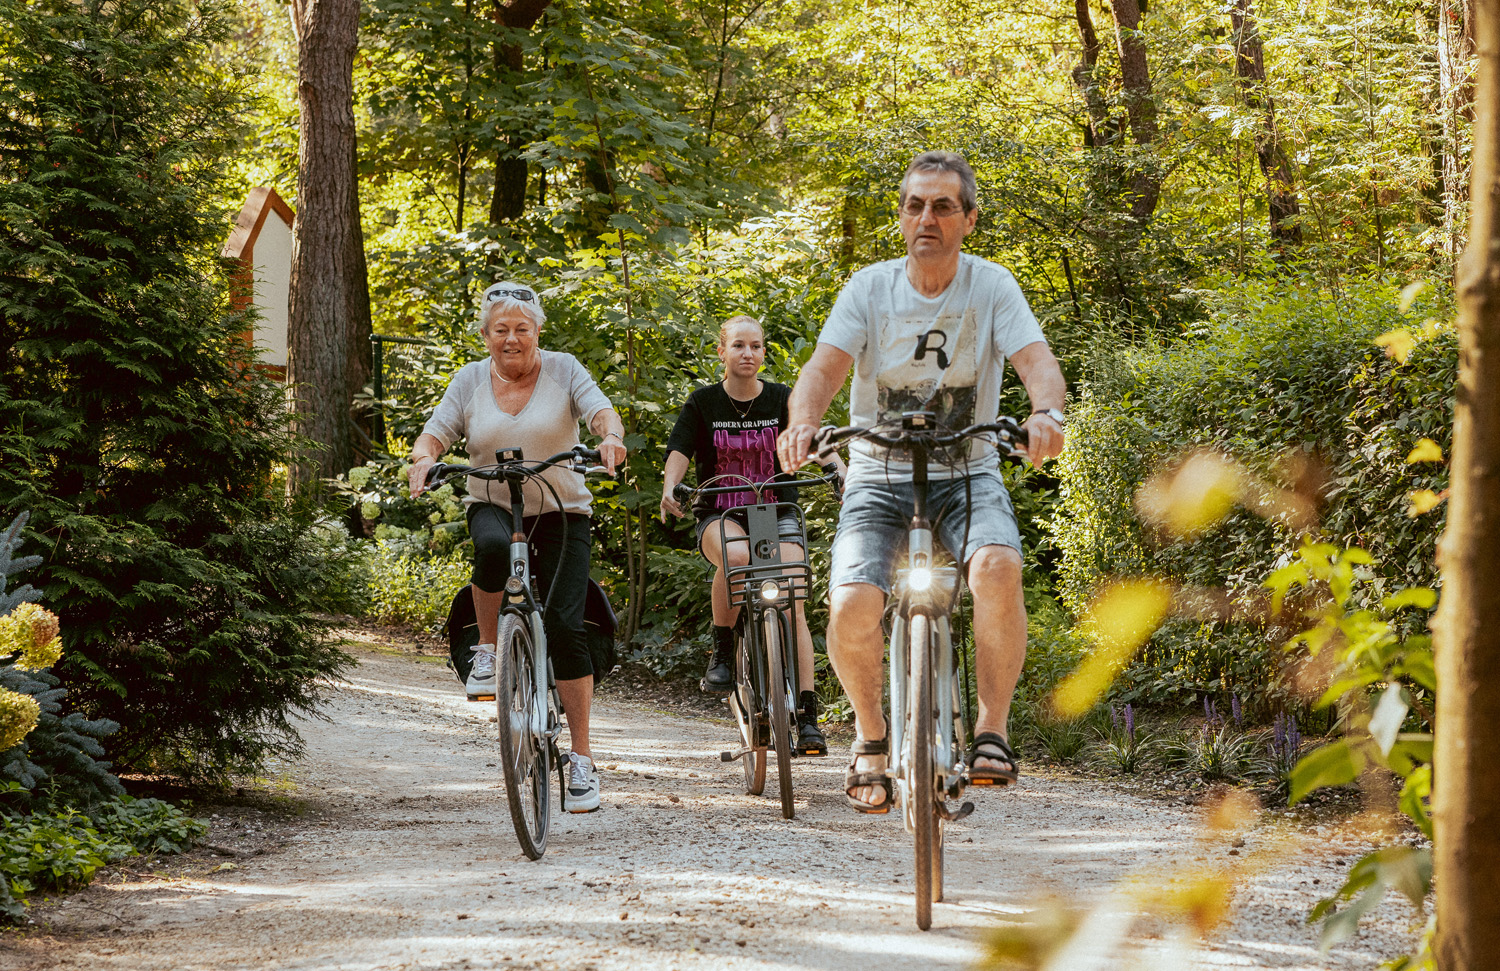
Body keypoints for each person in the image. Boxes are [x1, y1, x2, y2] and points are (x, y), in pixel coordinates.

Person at [776, 151, 1067, 813]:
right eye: (914, 205)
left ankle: (991, 727)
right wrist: (801, 424)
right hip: (878, 474)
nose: (926, 218)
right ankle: (872, 737)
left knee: (996, 566)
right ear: (901, 218)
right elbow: (822, 372)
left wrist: (1046, 415)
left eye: (942, 206)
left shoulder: (992, 286)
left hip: (967, 468)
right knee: (852, 603)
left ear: (968, 218)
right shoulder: (870, 289)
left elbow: (1036, 363)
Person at [406, 281, 627, 814]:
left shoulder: (565, 368)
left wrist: (609, 437)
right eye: (500, 329)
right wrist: (422, 457)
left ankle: (581, 759)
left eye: (522, 329)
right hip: (493, 500)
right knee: (489, 549)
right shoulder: (469, 380)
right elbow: (437, 431)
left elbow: (600, 409)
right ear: (485, 336)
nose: (512, 338)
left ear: (537, 332)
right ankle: (488, 650)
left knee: (568, 628)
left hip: (562, 508)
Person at [660, 315, 836, 757]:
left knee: (793, 588)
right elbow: (679, 449)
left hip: (776, 511)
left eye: (755, 346)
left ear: (762, 352)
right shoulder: (703, 403)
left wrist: (839, 471)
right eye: (739, 346)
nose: (748, 354)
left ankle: (809, 717)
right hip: (721, 511)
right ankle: (722, 653)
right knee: (737, 560)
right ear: (722, 351)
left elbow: (810, 436)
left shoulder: (781, 398)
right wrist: (669, 486)